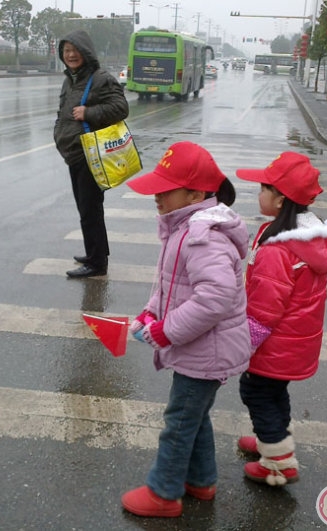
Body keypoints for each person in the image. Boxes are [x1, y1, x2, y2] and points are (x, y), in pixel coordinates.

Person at [120, 141, 252, 518]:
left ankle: (164, 493)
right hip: (202, 347)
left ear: (195, 194)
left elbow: (215, 298)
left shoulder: (202, 236)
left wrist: (167, 331)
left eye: (166, 190)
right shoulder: (185, 227)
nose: (157, 197)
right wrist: (150, 314)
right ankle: (201, 480)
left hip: (205, 351)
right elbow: (171, 285)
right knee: (194, 416)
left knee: (179, 421)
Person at [233, 152, 327, 486]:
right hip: (294, 343)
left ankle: (279, 463)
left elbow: (264, 311)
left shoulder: (277, 250)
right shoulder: (309, 238)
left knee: (256, 392)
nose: (258, 194)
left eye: (263, 188)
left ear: (281, 199)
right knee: (273, 391)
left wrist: (242, 346)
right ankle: (273, 437)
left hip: (273, 343)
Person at [54, 30, 129, 278]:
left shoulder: (100, 79)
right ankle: (96, 252)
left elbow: (121, 107)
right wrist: (59, 135)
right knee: (85, 208)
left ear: (86, 53)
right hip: (74, 153)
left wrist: (89, 113)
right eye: (66, 51)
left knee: (90, 209)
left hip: (91, 154)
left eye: (75, 51)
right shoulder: (71, 80)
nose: (71, 55)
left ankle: (97, 264)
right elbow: (63, 112)